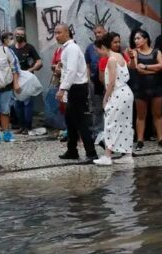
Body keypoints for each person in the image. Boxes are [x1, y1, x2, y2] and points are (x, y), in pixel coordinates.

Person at [55, 23, 98, 160]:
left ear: (67, 33)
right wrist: (60, 70)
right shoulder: (65, 49)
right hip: (72, 88)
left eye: (59, 32)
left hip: (77, 88)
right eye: (55, 33)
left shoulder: (72, 48)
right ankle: (72, 150)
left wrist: (63, 89)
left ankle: (91, 152)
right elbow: (68, 69)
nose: (57, 36)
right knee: (70, 120)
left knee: (81, 121)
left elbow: (72, 70)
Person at [93, 34, 134, 166]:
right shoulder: (120, 56)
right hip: (126, 92)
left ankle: (107, 156)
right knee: (125, 123)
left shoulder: (111, 59)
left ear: (103, 47)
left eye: (98, 50)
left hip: (118, 93)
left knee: (111, 123)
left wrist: (105, 99)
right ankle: (127, 154)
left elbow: (111, 82)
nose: (98, 53)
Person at [128, 29, 162, 149]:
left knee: (158, 114)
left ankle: (161, 138)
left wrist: (146, 67)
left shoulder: (156, 52)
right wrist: (152, 70)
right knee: (141, 115)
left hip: (156, 87)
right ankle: (140, 140)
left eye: (138, 38)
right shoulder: (134, 53)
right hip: (141, 87)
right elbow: (136, 68)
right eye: (135, 39)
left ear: (146, 39)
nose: (136, 41)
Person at [11, 27, 42, 135]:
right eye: (17, 34)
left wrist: (30, 70)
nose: (19, 36)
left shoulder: (29, 48)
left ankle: (28, 127)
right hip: (16, 79)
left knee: (27, 103)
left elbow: (39, 61)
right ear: (14, 35)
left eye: (21, 34)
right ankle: (21, 126)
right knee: (17, 104)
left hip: (27, 80)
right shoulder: (11, 49)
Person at [85, 24, 108, 141]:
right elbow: (87, 64)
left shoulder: (110, 46)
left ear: (105, 32)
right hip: (95, 82)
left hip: (110, 81)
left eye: (99, 32)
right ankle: (98, 133)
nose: (97, 35)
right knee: (97, 108)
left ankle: (110, 132)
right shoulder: (90, 48)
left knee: (110, 108)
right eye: (95, 33)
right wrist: (89, 80)